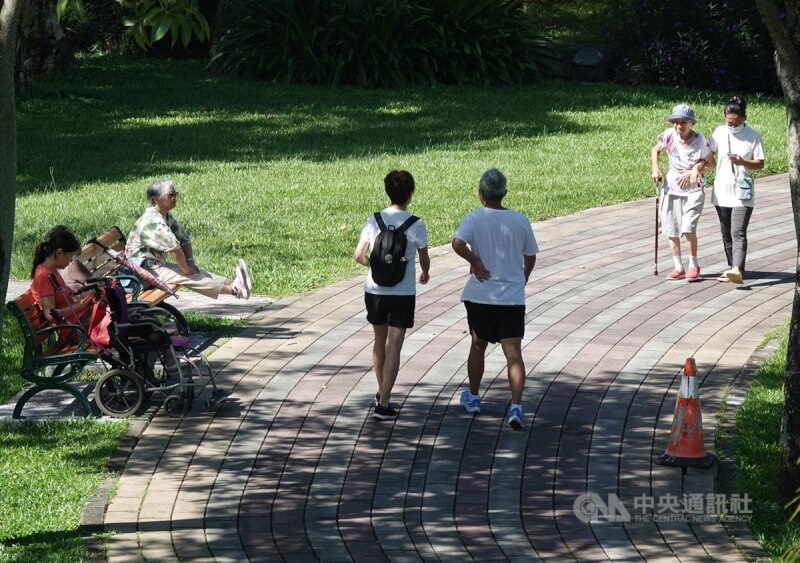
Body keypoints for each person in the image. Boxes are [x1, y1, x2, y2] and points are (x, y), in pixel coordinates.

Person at [452, 168, 538, 430]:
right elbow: (531, 254)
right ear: (504, 193)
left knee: (477, 345)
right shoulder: (520, 220)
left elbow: (457, 243)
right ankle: (516, 407)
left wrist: (474, 260)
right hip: (511, 297)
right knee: (513, 354)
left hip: (480, 295)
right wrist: (524, 275)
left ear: (481, 195)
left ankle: (474, 397)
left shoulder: (474, 218)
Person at [353, 170, 430, 421]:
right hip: (403, 292)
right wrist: (425, 273)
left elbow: (359, 255)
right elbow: (424, 257)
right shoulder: (416, 223)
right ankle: (384, 401)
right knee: (394, 345)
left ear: (387, 191)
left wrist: (373, 266)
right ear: (411, 193)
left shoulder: (374, 219)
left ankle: (381, 390)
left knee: (379, 341)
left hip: (374, 290)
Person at [126, 178, 252, 300]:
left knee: (194, 270)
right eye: (170, 194)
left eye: (175, 193)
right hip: (141, 273)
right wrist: (186, 269)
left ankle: (234, 282)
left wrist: (190, 262)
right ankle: (235, 290)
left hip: (154, 266)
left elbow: (184, 239)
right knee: (186, 276)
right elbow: (175, 249)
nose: (174, 197)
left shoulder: (165, 216)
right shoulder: (153, 221)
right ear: (155, 200)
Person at [651, 104, 713, 282]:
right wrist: (655, 169)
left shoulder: (700, 140)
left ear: (691, 123)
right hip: (671, 189)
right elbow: (655, 150)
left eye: (684, 122)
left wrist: (695, 171)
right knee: (672, 229)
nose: (679, 126)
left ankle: (694, 265)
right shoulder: (669, 136)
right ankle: (678, 267)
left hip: (694, 191)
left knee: (688, 228)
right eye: (676, 122)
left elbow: (710, 163)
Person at [708, 96, 765, 284]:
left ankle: (737, 269)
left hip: (742, 192)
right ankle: (734, 268)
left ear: (744, 118)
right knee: (726, 232)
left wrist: (742, 162)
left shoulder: (753, 135)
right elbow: (709, 153)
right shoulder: (719, 132)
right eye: (729, 121)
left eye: (737, 122)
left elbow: (760, 164)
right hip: (721, 190)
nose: (732, 125)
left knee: (738, 232)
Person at [30, 226, 94, 339]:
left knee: (119, 316)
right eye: (70, 255)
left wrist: (86, 297)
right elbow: (50, 315)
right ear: (59, 253)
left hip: (79, 319)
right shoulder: (44, 276)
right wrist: (81, 305)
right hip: (73, 328)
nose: (71, 260)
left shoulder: (53, 271)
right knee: (116, 323)